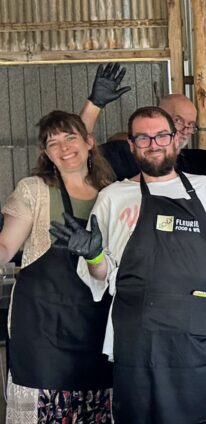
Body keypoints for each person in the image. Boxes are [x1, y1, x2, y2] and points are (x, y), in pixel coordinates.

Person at [62, 106, 206, 423]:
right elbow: (100, 275)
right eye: (143, 137)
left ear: (175, 139)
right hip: (138, 338)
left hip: (198, 336)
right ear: (132, 145)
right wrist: (94, 256)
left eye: (161, 135)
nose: (154, 143)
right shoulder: (113, 197)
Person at [0, 111, 116, 423]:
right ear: (46, 154)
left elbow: (110, 271)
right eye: (53, 143)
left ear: (89, 142)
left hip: (97, 328)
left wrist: (94, 257)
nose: (64, 147)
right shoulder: (34, 190)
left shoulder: (114, 192)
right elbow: (5, 247)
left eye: (70, 138)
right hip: (41, 331)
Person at [79, 64, 206, 180]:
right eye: (178, 120)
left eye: (191, 124)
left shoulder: (195, 161)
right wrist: (94, 104)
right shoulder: (123, 154)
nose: (186, 130)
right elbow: (79, 154)